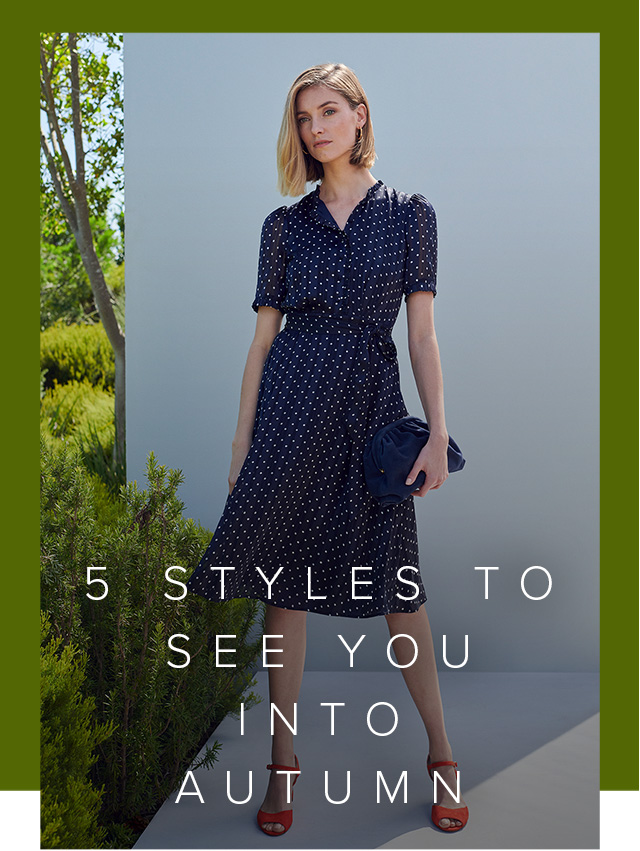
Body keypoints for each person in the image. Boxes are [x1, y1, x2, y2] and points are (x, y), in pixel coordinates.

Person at [186, 62, 469, 835]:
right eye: (304, 117)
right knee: (285, 589)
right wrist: (242, 444)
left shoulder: (411, 214)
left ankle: (442, 752)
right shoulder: (285, 227)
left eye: (328, 111)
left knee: (399, 594)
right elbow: (260, 344)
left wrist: (437, 432)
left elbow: (421, 334)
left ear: (359, 115)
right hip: (291, 407)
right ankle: (283, 759)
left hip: (372, 409)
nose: (315, 128)